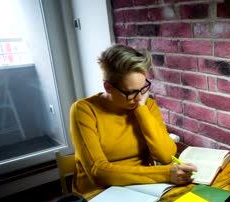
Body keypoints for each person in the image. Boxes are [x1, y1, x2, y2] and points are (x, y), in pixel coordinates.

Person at [70, 44, 196, 193]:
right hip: (97, 193)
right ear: (108, 87)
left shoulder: (146, 105)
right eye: (131, 92)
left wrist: (141, 110)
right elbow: (98, 172)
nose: (139, 97)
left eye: (143, 88)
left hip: (144, 188)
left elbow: (166, 156)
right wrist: (164, 174)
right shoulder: (84, 110)